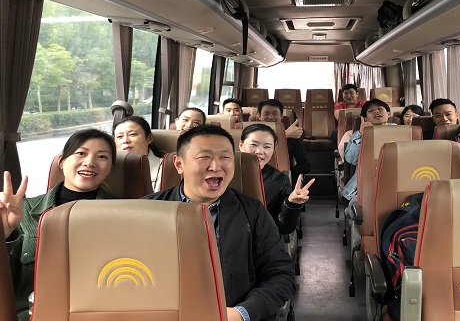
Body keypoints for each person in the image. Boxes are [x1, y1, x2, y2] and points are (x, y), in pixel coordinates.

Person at [143, 125, 296, 321]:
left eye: (225, 157)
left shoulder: (253, 212)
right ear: (179, 164)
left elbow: (281, 275)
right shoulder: (146, 212)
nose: (216, 167)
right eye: (204, 157)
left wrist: (243, 313)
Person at [2, 129, 116, 321]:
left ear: (111, 168)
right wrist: (5, 235)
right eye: (81, 153)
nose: (90, 162)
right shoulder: (23, 211)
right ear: (61, 162)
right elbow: (7, 283)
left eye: (102, 156)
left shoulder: (124, 214)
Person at [239, 123, 313, 235]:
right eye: (254, 145)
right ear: (241, 145)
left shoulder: (279, 180)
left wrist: (291, 204)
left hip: (263, 239)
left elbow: (283, 228)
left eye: (267, 147)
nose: (259, 151)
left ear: (273, 150)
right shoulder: (223, 175)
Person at [342, 99, 395, 202]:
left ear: (389, 114)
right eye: (371, 111)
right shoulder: (358, 135)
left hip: (394, 178)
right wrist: (361, 134)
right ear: (365, 118)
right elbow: (351, 160)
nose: (376, 111)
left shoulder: (402, 131)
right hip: (367, 182)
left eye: (380, 109)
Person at [258, 99, 310, 184]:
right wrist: (283, 135)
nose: (270, 117)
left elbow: (305, 166)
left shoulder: (291, 138)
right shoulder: (250, 135)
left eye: (274, 114)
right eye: (266, 114)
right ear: (259, 116)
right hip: (256, 178)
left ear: (281, 116)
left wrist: (286, 173)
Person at [113, 116, 164, 191]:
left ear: (149, 138)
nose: (125, 140)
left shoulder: (165, 169)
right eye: (120, 136)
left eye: (132, 134)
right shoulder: (108, 169)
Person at [331, 84, 367, 149]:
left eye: (351, 93)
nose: (349, 96)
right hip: (343, 129)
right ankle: (337, 152)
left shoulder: (364, 104)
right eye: (346, 93)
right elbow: (339, 117)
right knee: (335, 133)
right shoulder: (340, 105)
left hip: (361, 128)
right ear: (343, 95)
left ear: (357, 94)